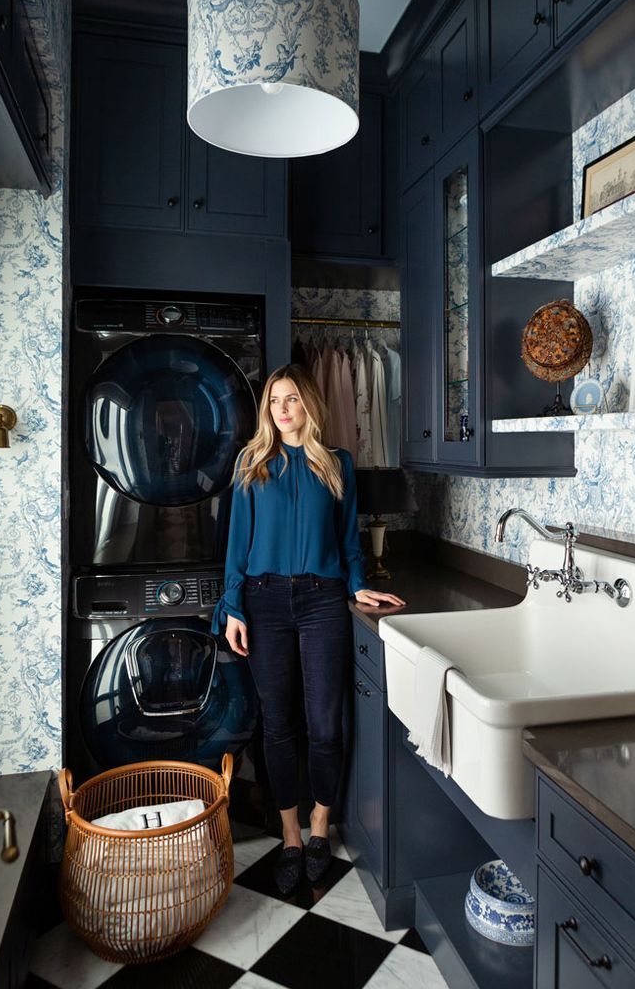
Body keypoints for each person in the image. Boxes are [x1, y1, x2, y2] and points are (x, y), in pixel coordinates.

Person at [213, 364, 405, 893]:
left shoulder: (336, 463)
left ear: (309, 406)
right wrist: (233, 606)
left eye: (291, 399)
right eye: (274, 400)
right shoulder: (251, 462)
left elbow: (348, 543)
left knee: (325, 724)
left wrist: (358, 584)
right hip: (263, 600)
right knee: (278, 725)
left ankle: (321, 822)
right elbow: (236, 544)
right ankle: (291, 833)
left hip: (323, 602)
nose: (281, 408)